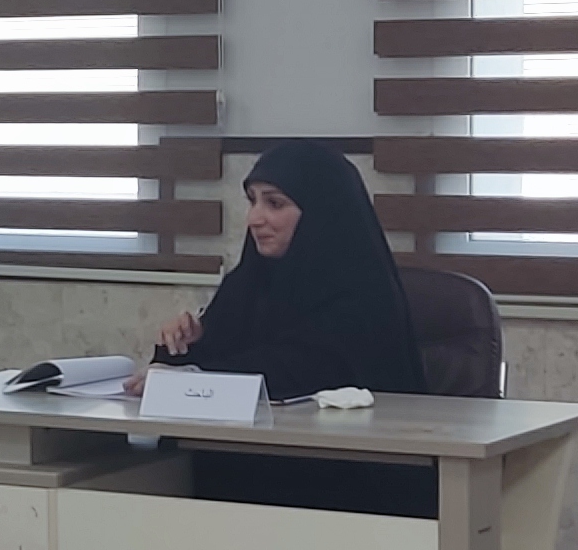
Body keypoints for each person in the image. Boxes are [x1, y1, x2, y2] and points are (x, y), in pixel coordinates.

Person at [149, 139, 432, 518]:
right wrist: (182, 344)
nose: (254, 218)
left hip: (347, 493)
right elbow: (214, 364)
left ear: (321, 211)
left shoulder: (363, 295)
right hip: (243, 480)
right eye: (253, 201)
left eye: (275, 203)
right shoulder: (247, 283)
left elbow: (296, 371)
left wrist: (193, 376)